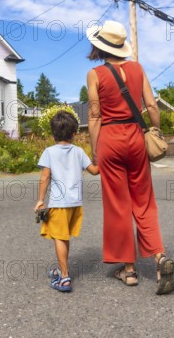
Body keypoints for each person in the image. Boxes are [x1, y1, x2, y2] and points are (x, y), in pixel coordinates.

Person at [85, 20, 174, 295]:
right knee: (144, 202)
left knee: (118, 205)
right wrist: (156, 131)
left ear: (100, 47)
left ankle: (129, 270)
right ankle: (159, 257)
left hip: (110, 140)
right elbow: (151, 105)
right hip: (136, 138)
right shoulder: (137, 68)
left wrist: (95, 151)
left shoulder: (95, 74)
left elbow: (94, 116)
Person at [34, 110, 99, 292]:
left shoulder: (49, 152)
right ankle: (62, 269)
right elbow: (95, 170)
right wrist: (98, 156)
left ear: (53, 133)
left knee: (59, 238)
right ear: (74, 133)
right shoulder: (79, 152)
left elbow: (45, 177)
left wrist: (40, 200)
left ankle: (64, 277)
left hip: (58, 204)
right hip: (75, 204)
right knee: (64, 237)